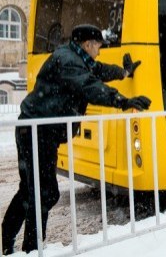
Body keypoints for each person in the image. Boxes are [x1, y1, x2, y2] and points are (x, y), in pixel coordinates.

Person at [2, 24, 151, 254]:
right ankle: (31, 249)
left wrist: (124, 73)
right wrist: (123, 101)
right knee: (43, 193)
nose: (99, 51)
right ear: (88, 44)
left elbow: (97, 70)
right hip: (36, 131)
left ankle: (10, 239)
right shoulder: (68, 61)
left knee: (32, 190)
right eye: (98, 47)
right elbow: (90, 86)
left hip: (39, 131)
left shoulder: (75, 57)